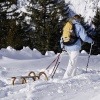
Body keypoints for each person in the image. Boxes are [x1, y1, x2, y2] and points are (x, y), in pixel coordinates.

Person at [61, 14, 94, 79]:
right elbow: (84, 38)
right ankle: (65, 77)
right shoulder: (79, 26)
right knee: (72, 62)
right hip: (75, 46)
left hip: (67, 46)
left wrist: (62, 45)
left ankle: (73, 75)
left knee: (73, 61)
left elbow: (63, 36)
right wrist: (91, 41)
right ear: (78, 19)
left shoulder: (67, 25)